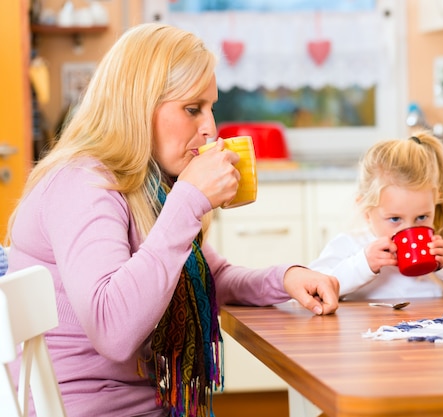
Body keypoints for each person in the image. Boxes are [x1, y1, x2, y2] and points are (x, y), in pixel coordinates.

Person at [5, 23, 339, 417]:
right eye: (192, 108)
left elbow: (212, 279)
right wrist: (189, 202)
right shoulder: (83, 183)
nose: (210, 128)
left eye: (211, 108)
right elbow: (112, 329)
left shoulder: (147, 187)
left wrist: (285, 278)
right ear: (138, 106)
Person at [308, 132, 443, 300]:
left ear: (435, 202)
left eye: (422, 217)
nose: (408, 230)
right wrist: (363, 265)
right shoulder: (352, 246)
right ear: (366, 211)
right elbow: (312, 289)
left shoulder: (439, 248)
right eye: (395, 219)